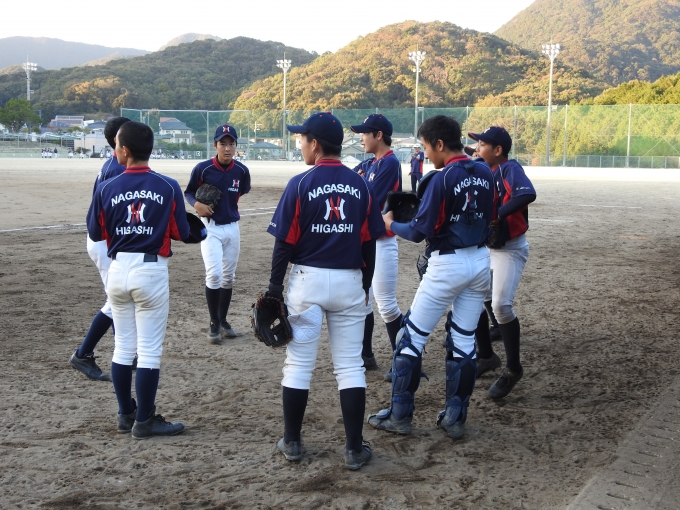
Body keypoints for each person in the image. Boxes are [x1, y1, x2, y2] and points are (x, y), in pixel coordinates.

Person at [267, 112, 385, 470]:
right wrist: (365, 284)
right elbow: (369, 242)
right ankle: (353, 449)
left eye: (302, 139)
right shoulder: (360, 184)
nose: (301, 144)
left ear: (315, 144)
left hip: (307, 281)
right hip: (349, 279)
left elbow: (284, 244)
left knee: (298, 365)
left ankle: (292, 442)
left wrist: (274, 288)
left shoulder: (301, 184)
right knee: (350, 367)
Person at [367, 115, 493, 439]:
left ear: (439, 143)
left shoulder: (441, 178)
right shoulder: (485, 171)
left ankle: (399, 415)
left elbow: (418, 231)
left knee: (410, 338)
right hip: (480, 260)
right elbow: (490, 218)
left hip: (447, 264)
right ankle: (455, 417)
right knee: (463, 340)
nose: (425, 154)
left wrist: (390, 224)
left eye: (426, 147)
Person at [87, 121, 192, 439]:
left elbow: (95, 232)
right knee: (148, 351)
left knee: (123, 347)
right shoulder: (167, 185)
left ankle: (125, 414)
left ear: (125, 150)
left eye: (117, 146)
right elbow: (181, 232)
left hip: (118, 268)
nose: (115, 151)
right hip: (150, 270)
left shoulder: (107, 186)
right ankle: (144, 420)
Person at [468, 126, 536, 399]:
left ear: (498, 150)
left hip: (510, 249)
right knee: (475, 298)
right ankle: (486, 356)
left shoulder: (509, 168)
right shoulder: (485, 170)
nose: (477, 148)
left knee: (500, 305)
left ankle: (513, 369)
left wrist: (498, 213)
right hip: (489, 247)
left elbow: (527, 193)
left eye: (482, 144)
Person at [70, 117, 132, 381]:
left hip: (104, 240)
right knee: (116, 301)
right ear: (119, 140)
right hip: (105, 241)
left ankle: (126, 354)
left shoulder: (114, 164)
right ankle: (83, 354)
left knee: (119, 298)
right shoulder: (117, 169)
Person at [184, 125, 251, 343]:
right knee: (214, 274)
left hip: (232, 227)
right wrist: (197, 205)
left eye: (231, 143)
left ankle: (223, 320)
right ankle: (214, 322)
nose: (227, 148)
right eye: (223, 143)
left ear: (236, 146)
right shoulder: (203, 169)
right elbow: (189, 192)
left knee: (229, 277)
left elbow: (242, 191)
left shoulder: (241, 171)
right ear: (215, 145)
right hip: (210, 227)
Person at [350, 114, 403, 379]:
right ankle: (366, 355)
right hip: (367, 241)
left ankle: (404, 358)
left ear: (379, 135)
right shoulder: (371, 162)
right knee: (363, 301)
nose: (361, 137)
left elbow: (368, 199)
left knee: (387, 305)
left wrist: (359, 183)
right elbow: (348, 183)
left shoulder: (389, 162)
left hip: (383, 242)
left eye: (365, 133)